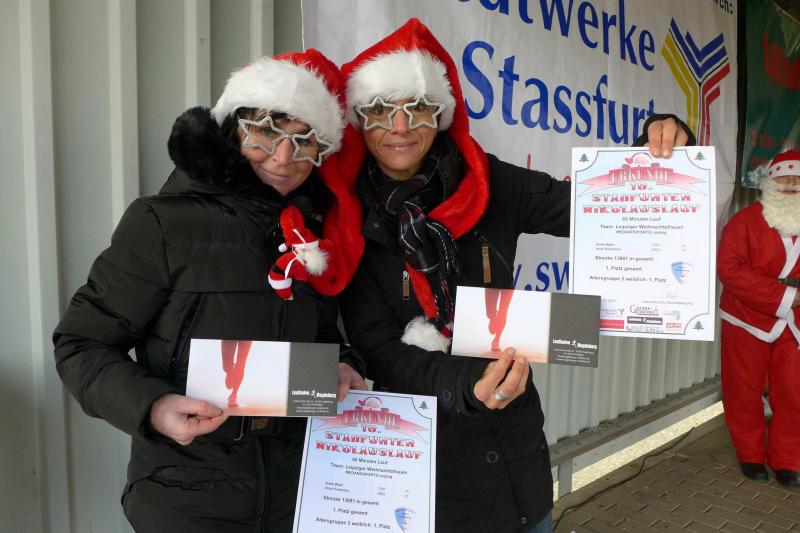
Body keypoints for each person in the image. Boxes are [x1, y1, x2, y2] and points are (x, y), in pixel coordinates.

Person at [338, 18, 695, 532]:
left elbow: (593, 206)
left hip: (513, 454)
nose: (399, 127)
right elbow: (374, 344)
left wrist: (656, 152)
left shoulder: (490, 183)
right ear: (359, 118)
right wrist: (466, 383)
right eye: (379, 110)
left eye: (416, 107)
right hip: (419, 464)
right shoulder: (347, 214)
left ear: (440, 114)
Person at [53, 50, 367, 531]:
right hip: (189, 492)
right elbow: (81, 343)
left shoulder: (310, 235)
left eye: (304, 140)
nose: (284, 158)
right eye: (267, 132)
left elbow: (322, 334)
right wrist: (153, 408)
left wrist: (342, 365)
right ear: (233, 129)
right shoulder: (164, 223)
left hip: (300, 489)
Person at [718, 148, 800, 488]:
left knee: (793, 392)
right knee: (743, 389)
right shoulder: (745, 221)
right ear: (769, 182)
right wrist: (786, 296)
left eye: (797, 178)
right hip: (745, 317)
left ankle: (788, 459)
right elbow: (729, 269)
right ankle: (750, 453)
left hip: (794, 323)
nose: (791, 183)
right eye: (784, 177)